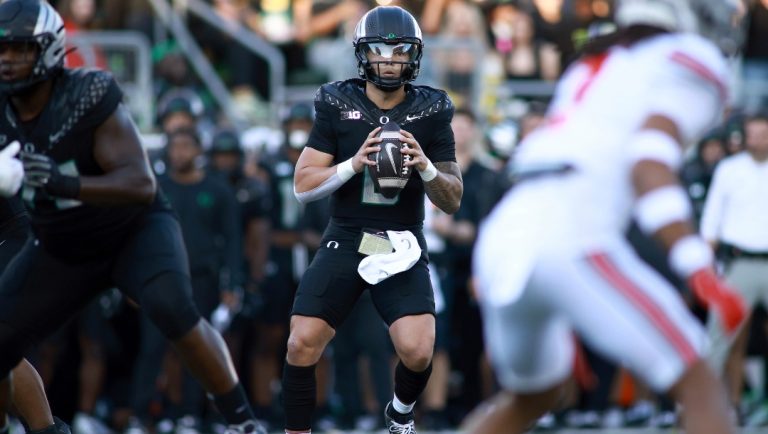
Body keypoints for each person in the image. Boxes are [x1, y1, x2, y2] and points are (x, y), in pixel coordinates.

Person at [464, 0, 747, 433]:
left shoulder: (594, 62)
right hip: (573, 232)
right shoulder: (686, 59)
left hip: (507, 234)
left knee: (532, 395)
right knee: (698, 380)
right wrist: (695, 263)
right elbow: (649, 159)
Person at [0, 2, 264, 434]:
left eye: (20, 50)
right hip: (62, 243)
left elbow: (139, 183)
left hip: (130, 230)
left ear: (48, 49)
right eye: (2, 50)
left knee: (173, 308)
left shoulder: (85, 92)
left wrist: (63, 183)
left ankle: (243, 422)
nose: (7, 61)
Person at [286, 5, 463, 434]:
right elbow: (303, 186)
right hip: (347, 234)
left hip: (400, 238)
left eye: (399, 51)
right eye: (380, 50)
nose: (389, 59)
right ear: (363, 54)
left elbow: (452, 198)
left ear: (413, 56)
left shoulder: (433, 108)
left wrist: (425, 166)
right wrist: (352, 163)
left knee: (418, 351)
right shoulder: (336, 101)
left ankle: (400, 413)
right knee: (301, 342)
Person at [700, 112, 768, 415]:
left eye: (764, 133)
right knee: (717, 339)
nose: (758, 139)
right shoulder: (729, 169)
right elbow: (711, 222)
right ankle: (701, 409)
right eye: (753, 133)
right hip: (739, 262)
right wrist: (704, 269)